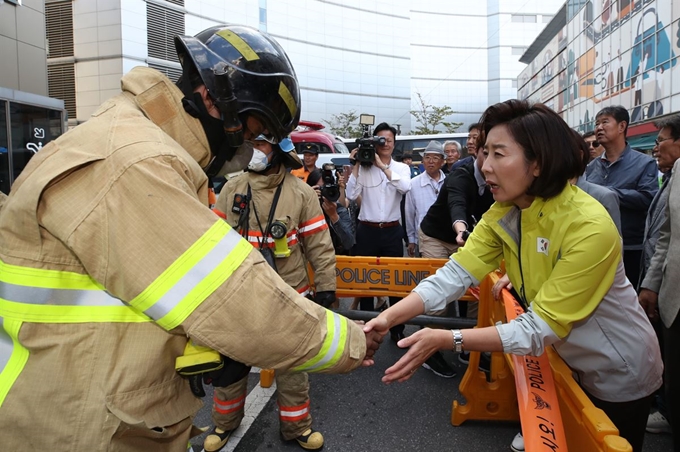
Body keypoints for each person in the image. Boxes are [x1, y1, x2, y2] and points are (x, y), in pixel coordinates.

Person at [0, 25, 380, 451]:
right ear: (215, 102)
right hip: (75, 426)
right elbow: (228, 296)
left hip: (80, 403)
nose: (249, 146)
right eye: (253, 128)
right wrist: (350, 341)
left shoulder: (129, 144)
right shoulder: (134, 162)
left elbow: (311, 245)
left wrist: (324, 291)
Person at [365, 99, 662, 452]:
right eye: (484, 152)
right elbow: (455, 274)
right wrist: (385, 318)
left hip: (616, 370)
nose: (485, 165)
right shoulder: (505, 212)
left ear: (537, 163)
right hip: (563, 360)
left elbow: (538, 328)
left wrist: (449, 339)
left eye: (498, 154)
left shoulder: (589, 226)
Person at [208, 135, 335, 451]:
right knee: (231, 365)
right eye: (250, 144)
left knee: (293, 368)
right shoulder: (232, 189)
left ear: (278, 150)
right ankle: (224, 424)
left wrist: (327, 287)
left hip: (288, 296)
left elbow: (319, 245)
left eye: (261, 144)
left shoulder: (300, 192)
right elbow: (211, 242)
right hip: (239, 294)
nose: (253, 151)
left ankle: (297, 427)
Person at [346, 122, 411, 342]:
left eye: (389, 140)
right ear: (373, 142)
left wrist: (382, 167)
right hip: (367, 230)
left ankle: (397, 328)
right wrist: (356, 164)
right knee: (366, 282)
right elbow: (351, 193)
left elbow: (405, 188)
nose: (385, 144)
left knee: (395, 282)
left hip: (392, 231)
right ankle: (365, 327)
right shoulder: (364, 168)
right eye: (380, 140)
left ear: (394, 143)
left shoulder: (401, 168)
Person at [638, 115, 680, 445]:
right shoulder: (676, 174)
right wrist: (652, 284)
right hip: (673, 298)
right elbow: (667, 236)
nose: (656, 148)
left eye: (661, 140)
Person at [586, 105, 658, 287]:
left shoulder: (644, 163)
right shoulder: (590, 168)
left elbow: (647, 199)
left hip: (630, 248)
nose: (599, 128)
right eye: (597, 123)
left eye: (605, 122)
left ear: (622, 126)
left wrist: (608, 193)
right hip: (594, 246)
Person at [307, 168, 356, 255]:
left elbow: (349, 243)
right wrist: (308, 200)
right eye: (319, 189)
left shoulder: (339, 210)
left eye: (326, 188)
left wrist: (334, 216)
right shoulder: (304, 209)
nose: (323, 193)